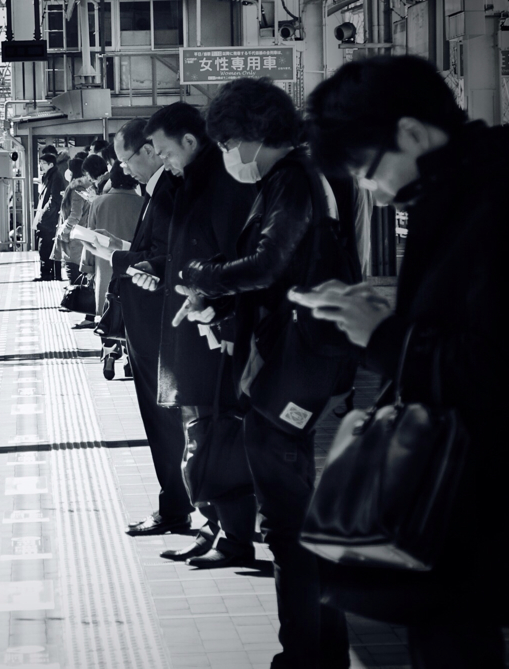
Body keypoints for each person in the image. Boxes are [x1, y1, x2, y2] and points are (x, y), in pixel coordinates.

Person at [303, 55, 509, 669]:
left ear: (410, 133)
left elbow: (498, 368)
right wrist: (390, 312)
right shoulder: (462, 198)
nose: (372, 190)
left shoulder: (492, 213)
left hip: (479, 487)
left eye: (368, 169)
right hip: (467, 487)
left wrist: (384, 335)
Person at [175, 78, 351, 668]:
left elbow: (269, 263)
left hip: (293, 365)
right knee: (295, 514)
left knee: (287, 521)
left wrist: (204, 276)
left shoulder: (293, 181)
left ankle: (302, 656)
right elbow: (276, 271)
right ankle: (319, 650)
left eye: (228, 142)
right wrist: (218, 302)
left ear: (251, 135)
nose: (227, 155)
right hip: (293, 361)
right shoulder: (286, 181)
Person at [136, 101, 258, 569]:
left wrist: (218, 312)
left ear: (190, 141)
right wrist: (159, 270)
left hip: (212, 334)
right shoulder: (195, 181)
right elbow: (193, 256)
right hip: (197, 325)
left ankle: (232, 537)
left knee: (213, 432)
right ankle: (219, 532)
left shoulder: (219, 184)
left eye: (165, 152)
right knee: (202, 432)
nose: (162, 162)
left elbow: (234, 260)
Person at [101, 118, 193, 536]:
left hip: (158, 326)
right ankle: (177, 503)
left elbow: (167, 257)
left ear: (148, 151)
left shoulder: (169, 191)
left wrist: (120, 258)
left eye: (126, 159)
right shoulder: (156, 191)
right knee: (165, 422)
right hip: (151, 324)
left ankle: (178, 506)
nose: (123, 169)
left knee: (165, 422)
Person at [81, 162, 143, 317]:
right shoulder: (144, 203)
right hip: (135, 267)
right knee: (132, 315)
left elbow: (90, 236)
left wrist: (87, 267)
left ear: (112, 178)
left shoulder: (98, 202)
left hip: (105, 264)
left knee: (106, 313)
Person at [55, 154, 108, 329]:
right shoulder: (90, 187)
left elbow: (75, 215)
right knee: (89, 278)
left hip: (82, 238)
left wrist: (65, 230)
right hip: (89, 237)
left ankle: (82, 308)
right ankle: (89, 314)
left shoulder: (81, 189)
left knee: (82, 275)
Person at [33, 152, 65, 281]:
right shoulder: (49, 176)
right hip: (47, 218)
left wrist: (44, 216)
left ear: (51, 164)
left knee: (46, 246)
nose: (40, 165)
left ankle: (47, 274)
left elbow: (54, 199)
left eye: (43, 163)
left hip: (50, 220)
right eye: (40, 162)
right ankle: (47, 273)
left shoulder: (55, 177)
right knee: (46, 246)